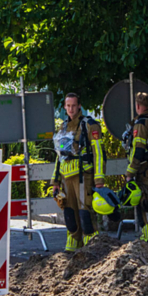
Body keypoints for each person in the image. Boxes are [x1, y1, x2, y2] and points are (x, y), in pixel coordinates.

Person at [50, 93, 106, 252]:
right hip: (66, 178)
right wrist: (55, 182)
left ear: (79, 106)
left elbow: (99, 154)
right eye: (68, 106)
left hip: (84, 178)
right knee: (70, 216)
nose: (70, 109)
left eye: (73, 105)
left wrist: (99, 179)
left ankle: (91, 250)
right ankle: (72, 248)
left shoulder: (89, 125)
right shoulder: (63, 127)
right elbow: (59, 156)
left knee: (85, 215)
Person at [125, 92, 148, 247]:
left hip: (145, 171)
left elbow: (138, 150)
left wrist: (130, 172)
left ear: (138, 106)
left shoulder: (141, 124)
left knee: (146, 206)